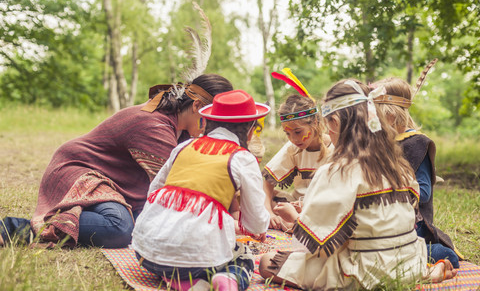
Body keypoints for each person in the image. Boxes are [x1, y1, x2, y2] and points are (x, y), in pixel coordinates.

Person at [259, 79, 457, 290]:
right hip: (408, 264)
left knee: (267, 262)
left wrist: (294, 217)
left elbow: (311, 246)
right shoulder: (398, 164)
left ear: (335, 121)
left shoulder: (336, 171)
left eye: (328, 123)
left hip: (363, 272)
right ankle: (426, 272)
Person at [0, 74, 233, 248]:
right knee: (120, 228)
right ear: (197, 107)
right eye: (214, 120)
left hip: (110, 184)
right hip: (81, 172)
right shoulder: (155, 127)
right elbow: (180, 189)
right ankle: (14, 228)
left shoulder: (179, 129)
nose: (214, 129)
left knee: (140, 223)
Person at [131, 90, 270, 291]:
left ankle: (185, 283)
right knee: (243, 255)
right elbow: (256, 222)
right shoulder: (242, 158)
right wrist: (257, 229)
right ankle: (229, 281)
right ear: (250, 130)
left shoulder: (184, 146)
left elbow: (154, 191)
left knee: (171, 259)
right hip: (195, 260)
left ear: (207, 122)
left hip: (145, 253)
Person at [373, 76, 462, 268]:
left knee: (443, 257)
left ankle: (438, 256)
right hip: (383, 218)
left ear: (391, 115)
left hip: (411, 224)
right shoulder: (383, 143)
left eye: (376, 116)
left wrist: (390, 190)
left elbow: (424, 192)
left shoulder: (416, 143)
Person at [262, 93, 331, 231]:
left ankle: (295, 225)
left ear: (315, 123)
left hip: (324, 206)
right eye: (287, 134)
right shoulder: (293, 148)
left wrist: (305, 207)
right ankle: (293, 223)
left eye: (298, 132)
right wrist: (268, 212)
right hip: (295, 204)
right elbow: (267, 180)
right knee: (261, 193)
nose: (293, 139)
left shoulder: (336, 147)